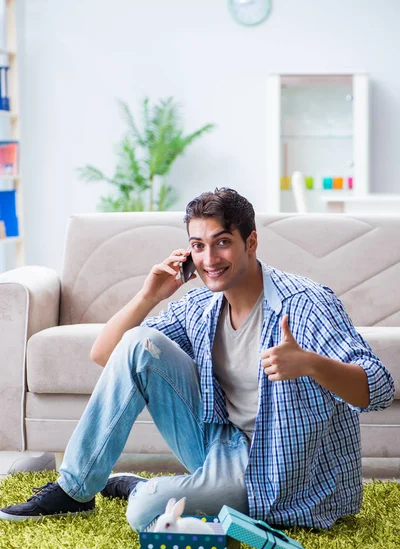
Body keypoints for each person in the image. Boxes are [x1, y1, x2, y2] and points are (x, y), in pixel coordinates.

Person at [0, 188, 394, 530]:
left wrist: (310, 363)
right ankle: (75, 490)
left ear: (251, 243)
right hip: (218, 440)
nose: (209, 259)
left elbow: (378, 387)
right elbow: (107, 355)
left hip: (278, 469)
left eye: (222, 242)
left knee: (144, 511)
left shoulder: (305, 304)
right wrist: (149, 296)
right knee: (140, 342)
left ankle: (142, 487)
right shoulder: (201, 304)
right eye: (198, 245)